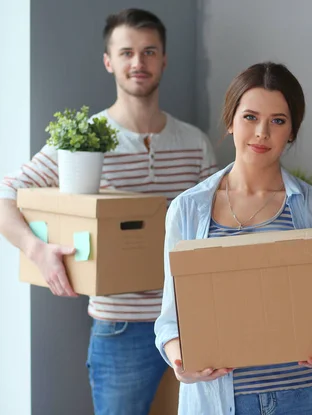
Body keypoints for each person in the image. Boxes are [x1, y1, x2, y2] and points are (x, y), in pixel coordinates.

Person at [0, 8, 218, 415]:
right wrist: (36, 250)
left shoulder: (195, 143)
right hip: (121, 326)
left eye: (150, 51)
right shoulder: (84, 142)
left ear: (165, 59)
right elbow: (5, 192)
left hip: (192, 319)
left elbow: (214, 223)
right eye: (127, 52)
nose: (139, 62)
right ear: (109, 61)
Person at [154, 62, 312, 415]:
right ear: (230, 121)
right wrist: (180, 361)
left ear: (292, 132)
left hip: (306, 397)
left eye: (278, 121)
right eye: (250, 117)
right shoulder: (188, 210)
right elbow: (171, 317)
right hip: (223, 400)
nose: (262, 132)